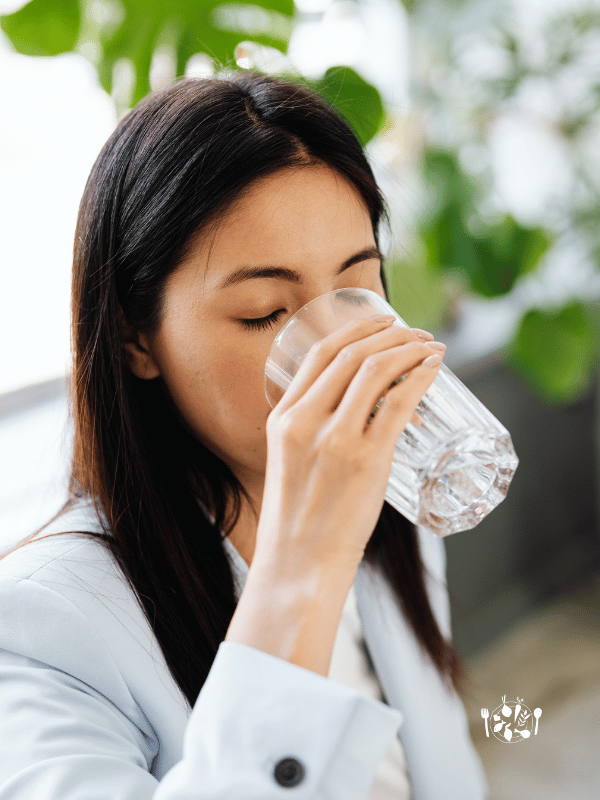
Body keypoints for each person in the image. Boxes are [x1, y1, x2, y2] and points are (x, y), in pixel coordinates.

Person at [0, 69, 489, 799]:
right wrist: (304, 563)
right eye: (266, 311)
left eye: (359, 285)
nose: (337, 350)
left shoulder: (395, 513)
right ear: (137, 339)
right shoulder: (41, 630)